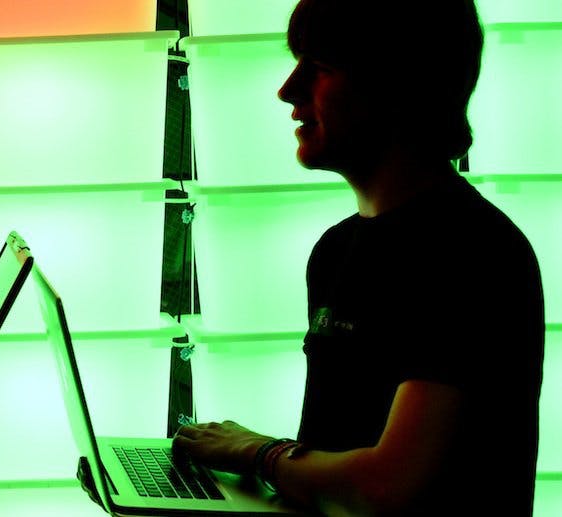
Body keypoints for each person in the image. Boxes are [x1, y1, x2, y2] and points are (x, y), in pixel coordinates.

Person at [169, 1, 544, 515]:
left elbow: (386, 488)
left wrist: (257, 453)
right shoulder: (335, 251)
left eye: (320, 67)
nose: (288, 90)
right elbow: (337, 482)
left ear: (398, 86)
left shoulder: (475, 254)